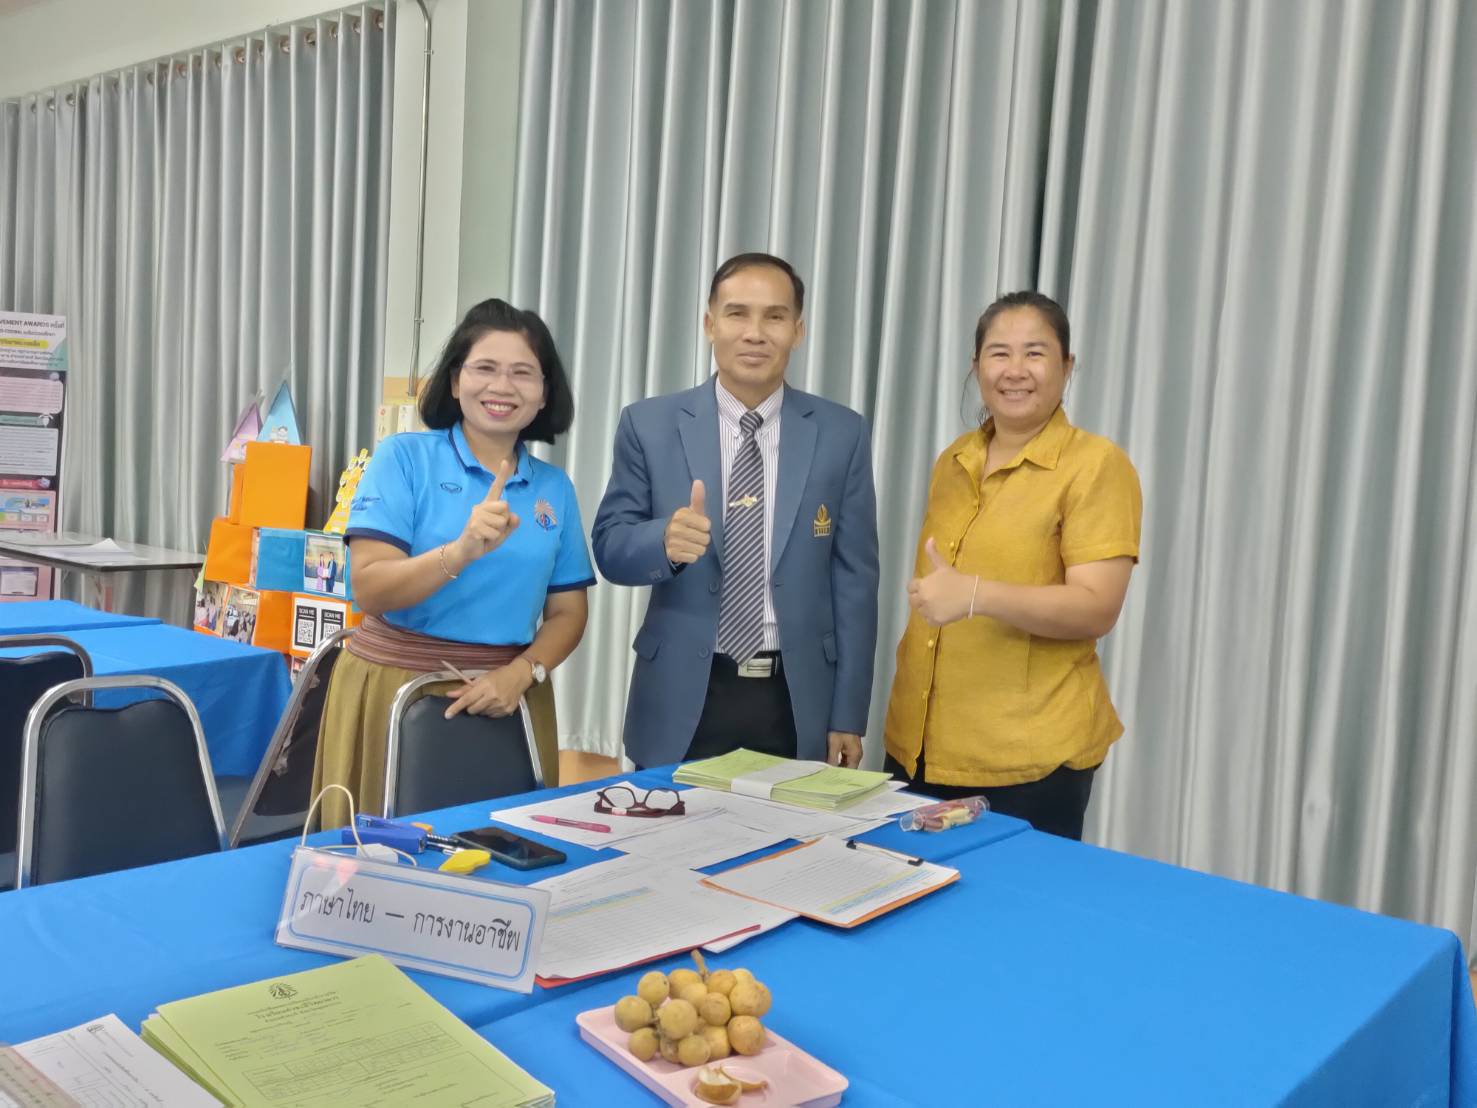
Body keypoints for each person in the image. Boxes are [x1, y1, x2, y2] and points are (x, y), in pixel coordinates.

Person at [311, 298, 594, 828]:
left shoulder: (554, 488)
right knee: (379, 860)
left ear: (544, 393)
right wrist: (460, 552)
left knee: (509, 853)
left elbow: (568, 614)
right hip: (392, 687)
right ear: (456, 381)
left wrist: (521, 673)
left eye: (523, 373)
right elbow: (368, 588)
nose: (502, 386)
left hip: (510, 695)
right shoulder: (403, 458)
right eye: (484, 368)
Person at [593, 252, 879, 769]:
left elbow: (855, 579)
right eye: (737, 314)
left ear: (798, 330)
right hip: (683, 692)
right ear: (709, 324)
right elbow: (610, 546)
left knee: (793, 826)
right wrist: (662, 542)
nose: (755, 333)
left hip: (796, 699)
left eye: (775, 317)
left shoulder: (842, 433)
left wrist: (848, 713)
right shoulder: (649, 424)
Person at [883, 291, 1142, 840]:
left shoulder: (1096, 465)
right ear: (976, 366)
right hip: (918, 747)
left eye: (1035, 353)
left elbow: (1096, 607)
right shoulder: (954, 461)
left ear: (1067, 366)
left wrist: (976, 594)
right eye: (999, 353)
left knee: (1009, 898)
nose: (1015, 370)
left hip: (1028, 763)